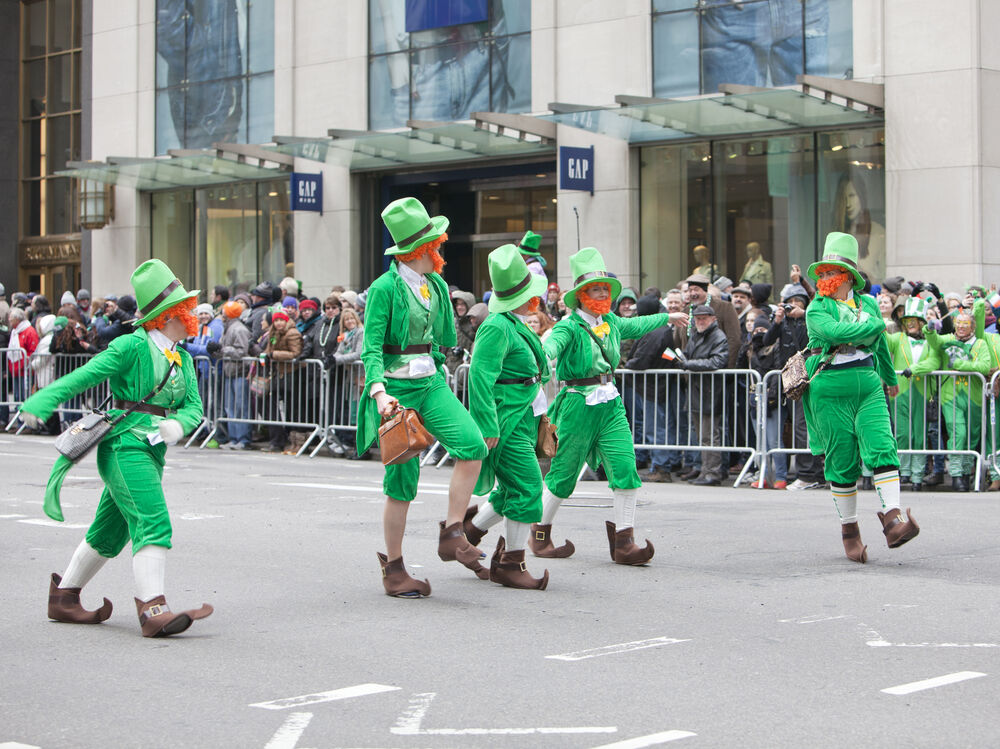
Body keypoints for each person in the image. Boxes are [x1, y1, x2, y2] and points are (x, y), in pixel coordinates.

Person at [18, 259, 213, 637]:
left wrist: (177, 425)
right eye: (186, 308)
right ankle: (153, 609)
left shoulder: (183, 358)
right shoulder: (130, 346)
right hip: (124, 447)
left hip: (152, 450)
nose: (192, 313)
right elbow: (85, 375)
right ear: (168, 314)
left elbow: (194, 407)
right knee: (153, 521)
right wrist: (40, 403)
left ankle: (64, 598)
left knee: (110, 532)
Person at [357, 197, 490, 597]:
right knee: (402, 481)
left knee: (472, 444)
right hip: (396, 392)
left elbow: (442, 339)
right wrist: (380, 395)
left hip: (431, 383)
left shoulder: (434, 284)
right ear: (420, 250)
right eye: (435, 243)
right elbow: (372, 348)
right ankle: (395, 570)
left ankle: (452, 530)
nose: (441, 250)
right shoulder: (384, 288)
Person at [532, 247, 683, 565]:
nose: (602, 294)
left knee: (626, 468)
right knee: (564, 475)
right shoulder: (569, 326)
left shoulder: (611, 322)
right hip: (577, 405)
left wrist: (667, 316)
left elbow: (638, 326)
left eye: (605, 288)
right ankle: (539, 534)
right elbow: (550, 346)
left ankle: (624, 543)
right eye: (595, 289)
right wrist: (538, 358)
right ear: (581, 295)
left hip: (611, 403)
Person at [801, 232, 918, 564]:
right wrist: (872, 327)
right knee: (842, 460)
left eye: (830, 272)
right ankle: (849, 530)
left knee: (882, 443)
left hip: (868, 384)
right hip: (828, 388)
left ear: (848, 276)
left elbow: (879, 344)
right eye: (821, 273)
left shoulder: (867, 304)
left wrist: (890, 377)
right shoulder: (816, 309)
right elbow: (835, 334)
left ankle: (893, 519)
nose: (824, 278)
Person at [462, 245, 551, 589]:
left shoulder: (511, 321)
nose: (536, 299)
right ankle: (511, 565)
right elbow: (479, 376)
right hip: (505, 420)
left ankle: (468, 533)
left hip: (520, 416)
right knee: (528, 486)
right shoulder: (498, 325)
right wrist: (486, 424)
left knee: (513, 489)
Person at [913, 301, 990, 492]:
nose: (962, 328)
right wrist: (929, 330)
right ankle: (956, 475)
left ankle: (965, 472)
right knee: (959, 432)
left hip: (974, 397)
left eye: (966, 325)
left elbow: (985, 366)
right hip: (950, 396)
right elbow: (934, 342)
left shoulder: (980, 344)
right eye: (959, 324)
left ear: (973, 326)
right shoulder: (947, 339)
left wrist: (962, 366)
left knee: (971, 436)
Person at [764, 283, 825, 491]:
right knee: (797, 427)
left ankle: (809, 474)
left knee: (803, 427)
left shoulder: (810, 321)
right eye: (789, 303)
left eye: (798, 302)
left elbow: (821, 330)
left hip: (810, 378)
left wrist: (805, 315)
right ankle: (807, 473)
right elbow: (766, 340)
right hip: (790, 381)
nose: (793, 307)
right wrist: (777, 321)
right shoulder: (783, 323)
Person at [887, 297, 936, 491]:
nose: (911, 324)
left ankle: (917, 473)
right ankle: (903, 471)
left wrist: (915, 369)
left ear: (922, 322)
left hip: (922, 392)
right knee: (901, 432)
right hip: (900, 392)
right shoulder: (897, 339)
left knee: (919, 434)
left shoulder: (932, 341)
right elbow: (882, 340)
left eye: (915, 321)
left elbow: (933, 362)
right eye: (908, 321)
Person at [679, 305, 730, 486]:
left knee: (710, 435)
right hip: (698, 390)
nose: (700, 321)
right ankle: (706, 470)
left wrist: (689, 364)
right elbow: (688, 355)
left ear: (713, 319)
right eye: (698, 318)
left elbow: (718, 361)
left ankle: (713, 472)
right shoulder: (696, 334)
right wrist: (681, 360)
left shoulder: (718, 336)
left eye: (704, 318)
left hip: (709, 391)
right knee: (703, 435)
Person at [261, 309, 303, 454]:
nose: (278, 323)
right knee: (270, 404)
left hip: (290, 374)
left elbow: (295, 353)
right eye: (276, 320)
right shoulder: (273, 333)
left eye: (281, 320)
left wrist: (274, 355)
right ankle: (277, 439)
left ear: (286, 320)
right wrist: (266, 355)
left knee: (291, 408)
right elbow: (268, 349)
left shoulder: (293, 333)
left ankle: (292, 441)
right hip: (277, 374)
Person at [218, 300, 252, 449]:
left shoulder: (239, 329)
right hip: (230, 372)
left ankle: (243, 439)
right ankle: (233, 438)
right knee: (230, 407)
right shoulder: (229, 328)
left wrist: (223, 349)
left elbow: (241, 351)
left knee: (240, 407)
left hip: (239, 373)